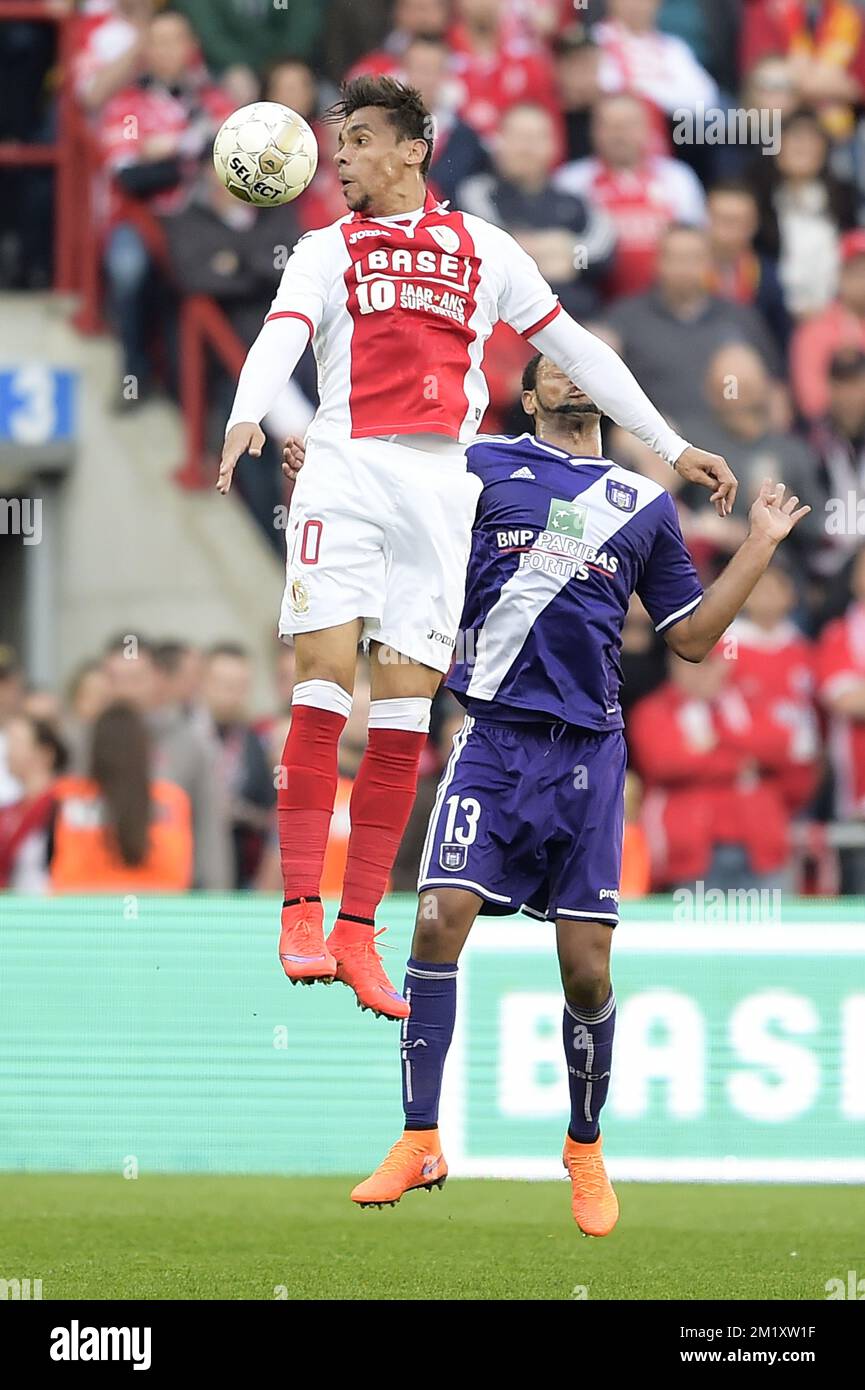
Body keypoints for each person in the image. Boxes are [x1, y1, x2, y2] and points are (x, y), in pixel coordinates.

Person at [218, 73, 736, 1021]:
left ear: (414, 149)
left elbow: (577, 350)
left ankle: (356, 932)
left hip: (439, 486)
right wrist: (247, 415)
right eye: (336, 142)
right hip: (341, 466)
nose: (340, 155)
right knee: (324, 683)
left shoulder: (484, 250)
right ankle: (299, 910)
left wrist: (669, 445)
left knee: (406, 718)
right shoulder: (325, 250)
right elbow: (279, 336)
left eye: (360, 138)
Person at [337, 354, 807, 1232]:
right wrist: (326, 482)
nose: (571, 377)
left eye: (585, 367)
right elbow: (392, 510)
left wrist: (757, 547)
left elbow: (693, 640)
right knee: (437, 917)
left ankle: (583, 1147)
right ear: (530, 392)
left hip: (587, 753)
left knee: (586, 969)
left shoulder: (644, 503)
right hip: (489, 736)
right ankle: (420, 1136)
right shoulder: (476, 464)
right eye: (553, 366)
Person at [51, 703, 192, 893]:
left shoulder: (73, 798)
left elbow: (67, 877)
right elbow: (177, 876)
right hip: (152, 914)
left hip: (88, 914)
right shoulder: (171, 800)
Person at [0, 716, 66, 892]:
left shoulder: (63, 804)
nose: (9, 752)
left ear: (45, 753)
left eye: (17, 742)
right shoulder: (8, 811)